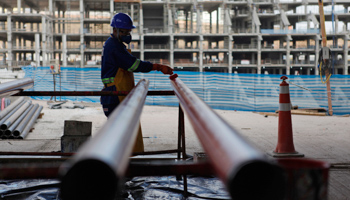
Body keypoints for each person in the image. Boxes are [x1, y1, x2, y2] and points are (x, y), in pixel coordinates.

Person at [101, 13, 173, 117]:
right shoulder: (114, 46)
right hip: (115, 95)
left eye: (128, 32)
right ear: (115, 30)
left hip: (115, 93)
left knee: (121, 128)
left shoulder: (114, 44)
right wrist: (158, 67)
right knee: (119, 128)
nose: (127, 35)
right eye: (124, 32)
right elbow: (134, 65)